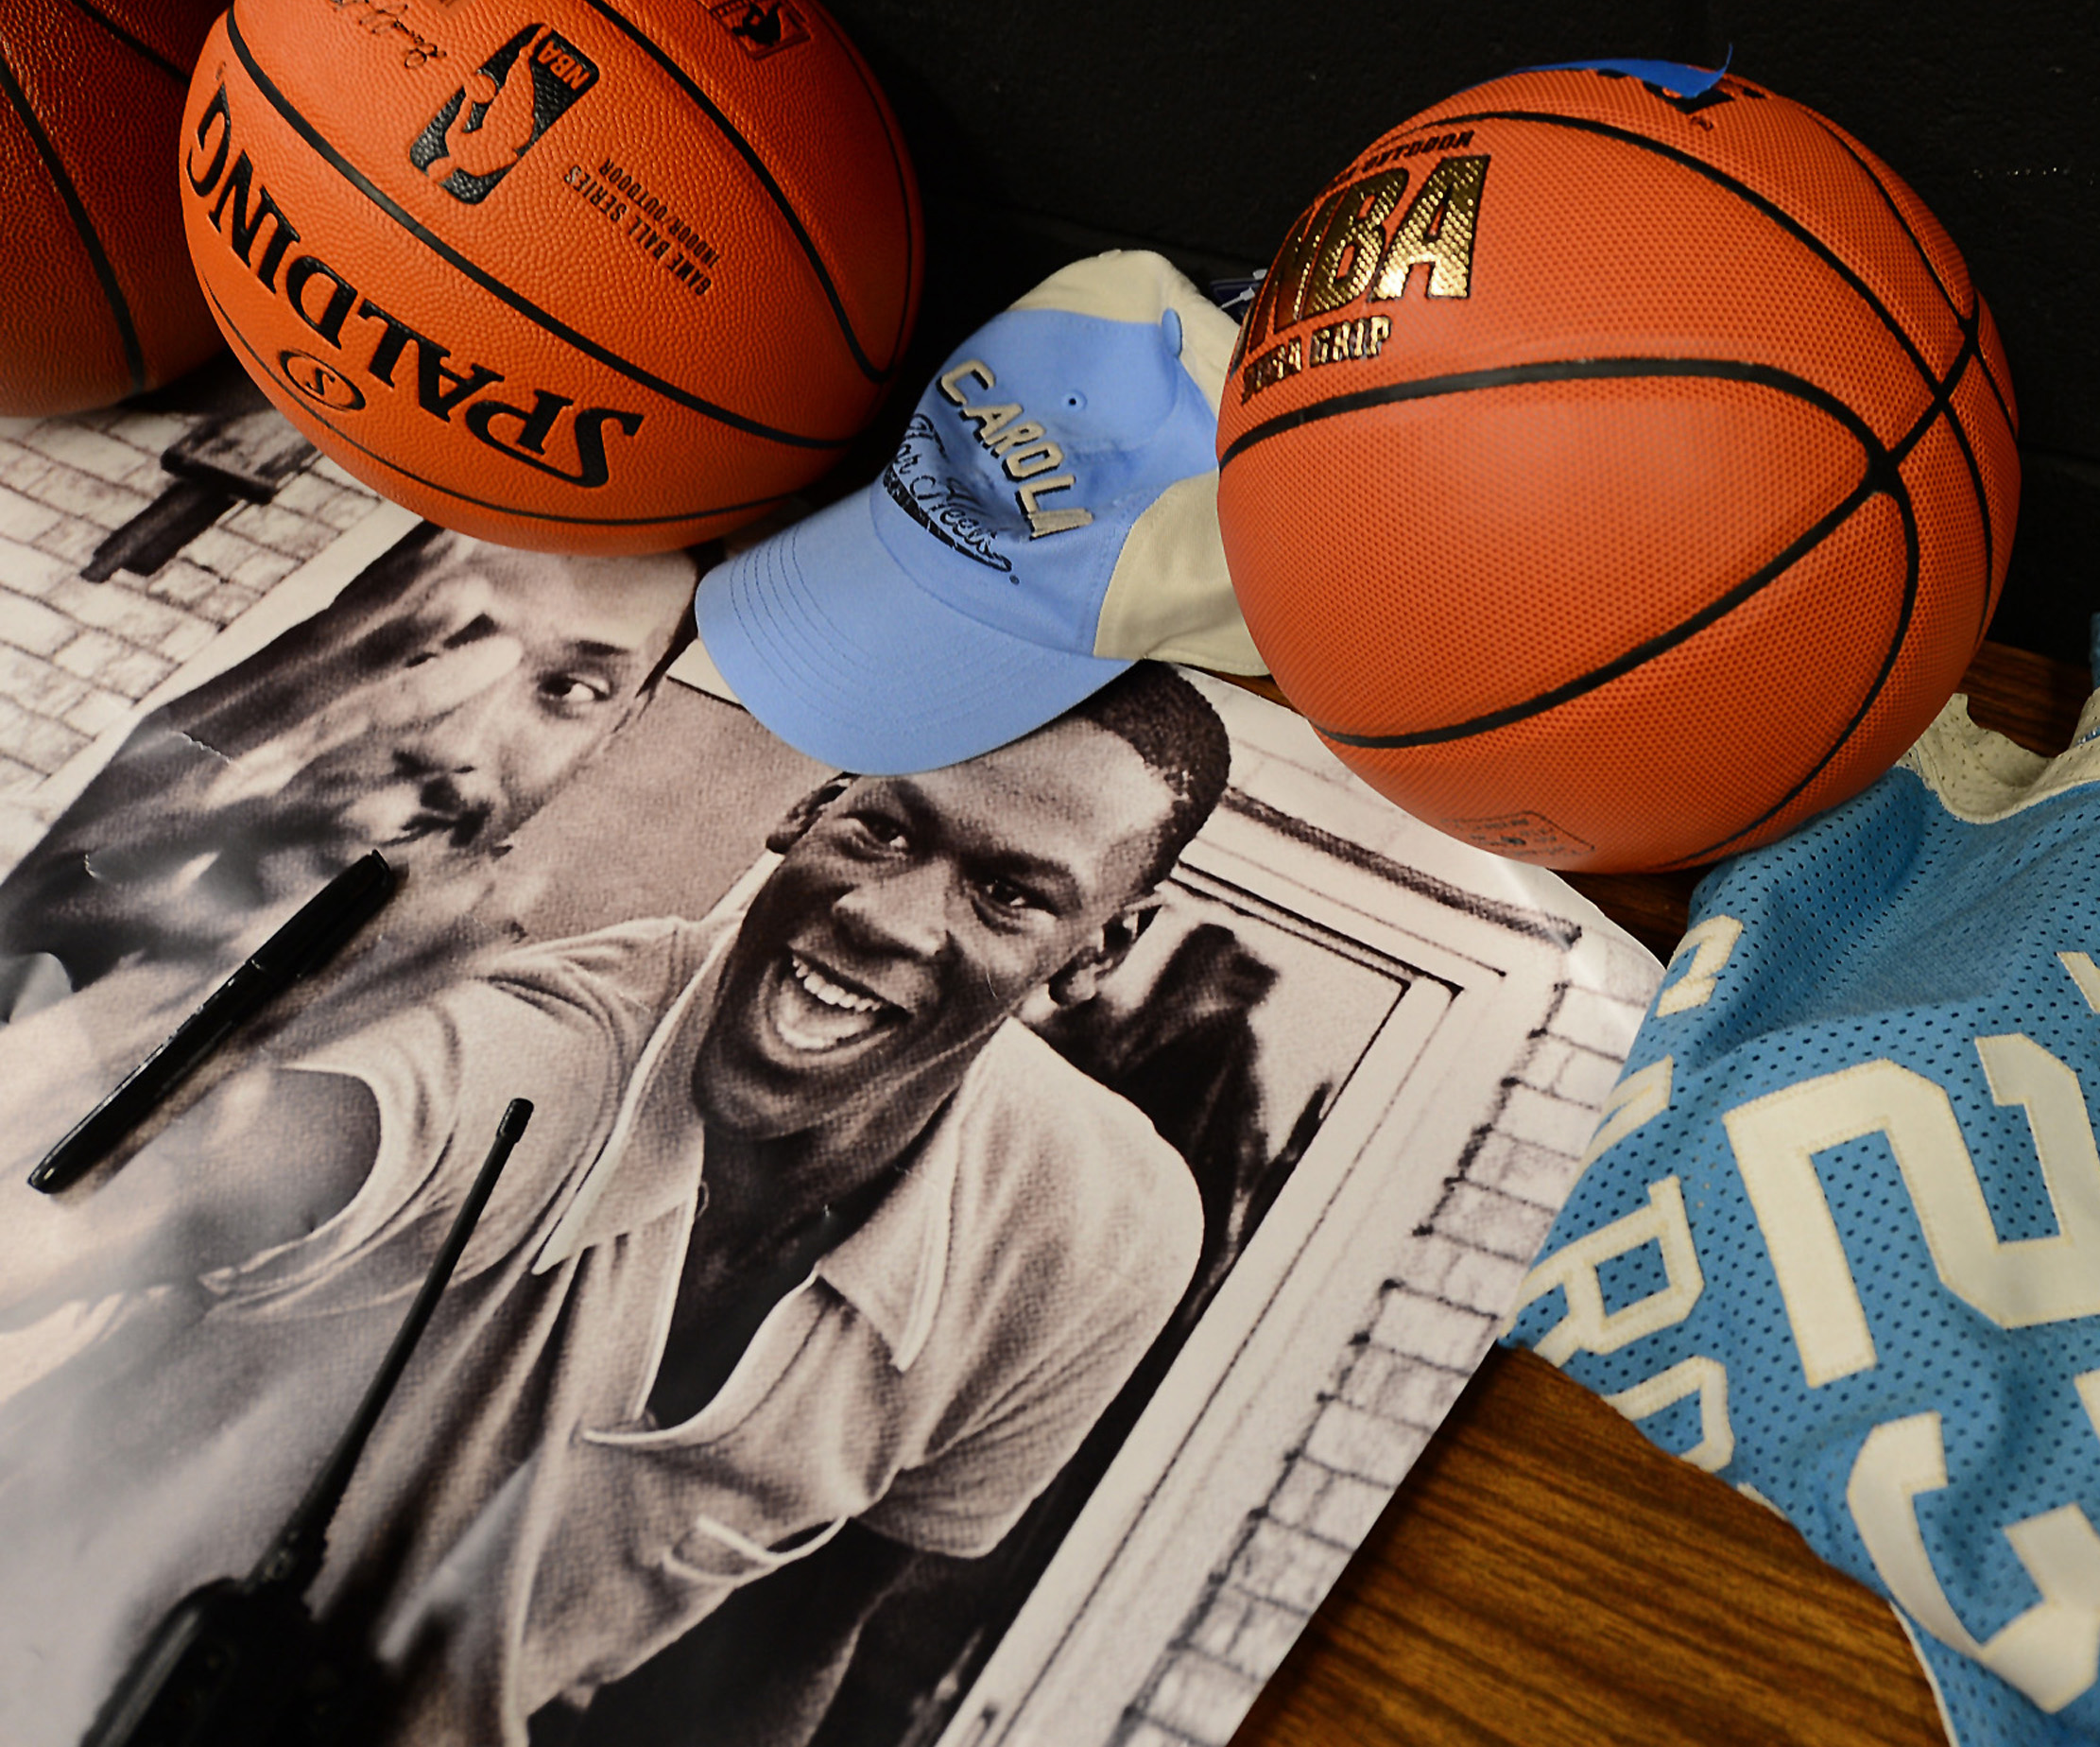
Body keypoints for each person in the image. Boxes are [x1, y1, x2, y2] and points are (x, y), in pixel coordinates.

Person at [0, 663, 1228, 1747]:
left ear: (1100, 950)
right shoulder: (542, 1044)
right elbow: (181, 1190)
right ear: (808, 808)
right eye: (886, 831)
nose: (883, 914)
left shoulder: (1102, 1239)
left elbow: (785, 1642)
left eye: (1009, 895)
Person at [0, 525, 701, 1030]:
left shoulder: (496, 1035)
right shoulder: (44, 847)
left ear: (624, 726)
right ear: (354, 630)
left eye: (571, 689)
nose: (455, 740)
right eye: (433, 649)